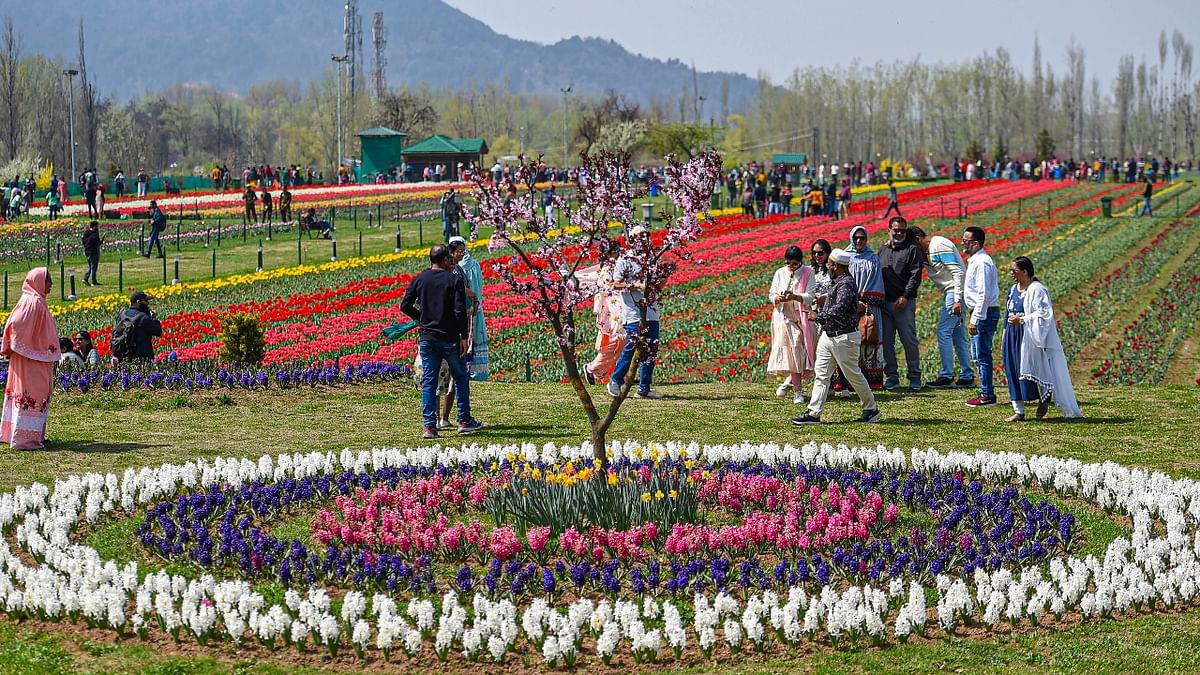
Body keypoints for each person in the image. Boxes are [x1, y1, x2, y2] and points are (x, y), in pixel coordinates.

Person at [400, 245, 484, 438]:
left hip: (428, 338)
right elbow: (458, 311)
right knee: (461, 377)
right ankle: (464, 421)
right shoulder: (453, 280)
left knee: (429, 381)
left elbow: (404, 305)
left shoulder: (420, 279)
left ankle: (429, 426)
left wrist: (421, 317)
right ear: (446, 259)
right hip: (450, 338)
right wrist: (464, 337)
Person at [791, 248, 882, 425]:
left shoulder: (846, 283)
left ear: (836, 265)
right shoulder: (839, 281)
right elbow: (839, 302)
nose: (828, 266)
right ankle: (814, 413)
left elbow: (840, 308)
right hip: (830, 336)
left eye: (830, 263)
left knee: (853, 374)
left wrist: (819, 317)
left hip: (844, 338)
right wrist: (825, 299)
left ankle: (871, 409)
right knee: (822, 375)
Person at [1003, 257, 1084, 421]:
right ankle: (1019, 410)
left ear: (1024, 272)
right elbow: (1007, 314)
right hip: (1013, 335)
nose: (1011, 273)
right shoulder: (1012, 290)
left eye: (1014, 270)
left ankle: (1043, 399)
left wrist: (1023, 320)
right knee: (1013, 370)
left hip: (1029, 335)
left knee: (1034, 368)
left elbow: (1044, 314)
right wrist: (1005, 334)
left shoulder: (1038, 290)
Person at [0, 268, 61, 450]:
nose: (51, 285)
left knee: (34, 394)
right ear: (40, 282)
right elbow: (16, 324)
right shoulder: (33, 302)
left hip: (33, 356)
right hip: (31, 359)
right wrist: (25, 346)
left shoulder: (34, 300)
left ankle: (27, 435)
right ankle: (25, 439)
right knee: (34, 393)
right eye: (49, 281)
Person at [607, 226, 663, 400]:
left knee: (651, 348)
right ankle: (615, 380)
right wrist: (637, 286)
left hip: (652, 310)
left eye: (645, 236)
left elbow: (657, 283)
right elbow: (615, 284)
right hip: (633, 312)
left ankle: (644, 388)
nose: (643, 240)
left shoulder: (651, 259)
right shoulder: (624, 260)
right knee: (631, 347)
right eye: (639, 237)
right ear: (632, 239)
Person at [913, 226, 973, 388]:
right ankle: (967, 375)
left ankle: (947, 374)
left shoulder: (939, 245)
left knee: (943, 331)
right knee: (958, 334)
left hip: (954, 291)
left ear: (918, 239)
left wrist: (957, 299)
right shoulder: (926, 252)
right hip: (951, 292)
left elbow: (958, 272)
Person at [878, 217, 924, 391]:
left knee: (908, 340)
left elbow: (915, 275)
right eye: (896, 230)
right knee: (887, 341)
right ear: (889, 230)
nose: (899, 233)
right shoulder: (883, 250)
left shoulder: (912, 250)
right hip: (885, 303)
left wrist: (905, 296)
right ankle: (892, 376)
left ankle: (914, 377)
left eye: (902, 231)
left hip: (903, 302)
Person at [767, 245, 816, 403]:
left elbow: (810, 296)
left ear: (800, 262)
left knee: (802, 353)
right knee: (793, 351)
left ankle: (790, 381)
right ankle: (798, 391)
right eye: (788, 263)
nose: (791, 267)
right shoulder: (780, 273)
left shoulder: (808, 272)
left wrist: (794, 296)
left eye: (794, 264)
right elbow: (772, 294)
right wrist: (777, 299)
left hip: (801, 317)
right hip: (783, 317)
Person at [962, 226, 1001, 407]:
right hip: (981, 312)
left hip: (984, 313)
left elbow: (983, 293)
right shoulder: (975, 260)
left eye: (966, 241)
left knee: (983, 354)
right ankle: (985, 391)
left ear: (975, 244)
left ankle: (987, 394)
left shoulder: (982, 262)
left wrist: (975, 318)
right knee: (978, 354)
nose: (963, 244)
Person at [845, 225, 886, 388]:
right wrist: (852, 302)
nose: (859, 240)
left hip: (870, 307)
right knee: (851, 342)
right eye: (856, 238)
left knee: (870, 337)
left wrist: (866, 301)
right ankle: (850, 381)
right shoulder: (845, 257)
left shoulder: (873, 258)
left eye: (862, 237)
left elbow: (877, 281)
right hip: (849, 307)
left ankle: (871, 380)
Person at [581, 246, 625, 386]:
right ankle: (592, 368)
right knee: (618, 340)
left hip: (617, 310)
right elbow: (613, 288)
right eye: (615, 252)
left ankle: (619, 373)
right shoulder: (608, 269)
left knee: (623, 342)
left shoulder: (612, 266)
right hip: (615, 311)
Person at [82, 220, 102, 286]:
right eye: (97, 226)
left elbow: (83, 241)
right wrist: (102, 240)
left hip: (87, 251)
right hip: (93, 252)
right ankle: (93, 281)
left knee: (90, 266)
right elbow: (98, 243)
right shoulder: (94, 234)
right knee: (93, 267)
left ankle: (85, 278)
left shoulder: (86, 233)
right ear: (94, 226)